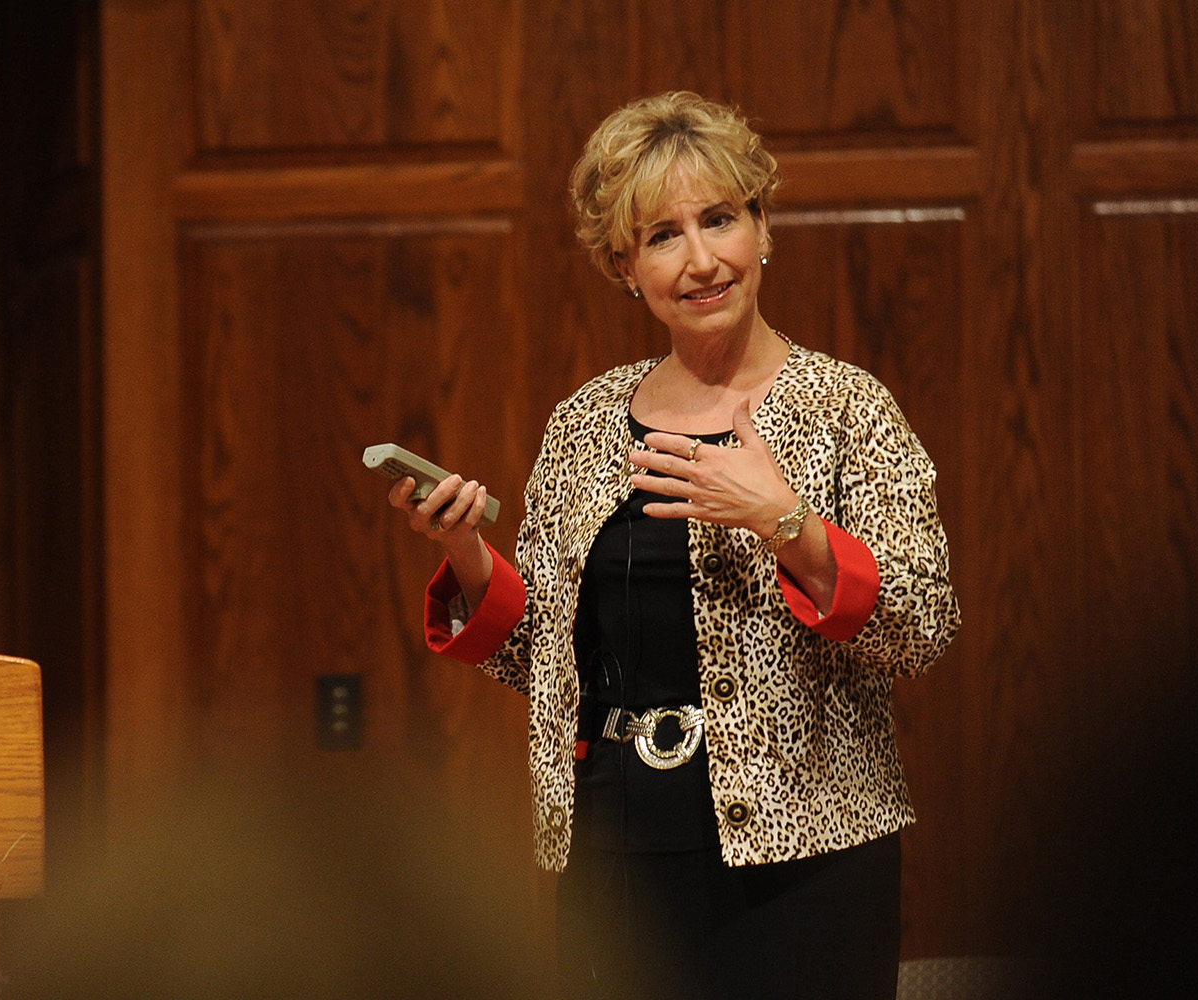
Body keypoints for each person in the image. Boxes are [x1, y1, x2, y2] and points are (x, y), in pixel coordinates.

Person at [387, 91, 959, 999]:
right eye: (661, 235)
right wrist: (466, 554)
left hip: (806, 857)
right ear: (624, 266)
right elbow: (542, 657)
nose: (701, 261)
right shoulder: (581, 424)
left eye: (721, 220)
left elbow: (923, 626)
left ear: (763, 226)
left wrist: (790, 524)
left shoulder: (846, 406)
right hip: (613, 851)